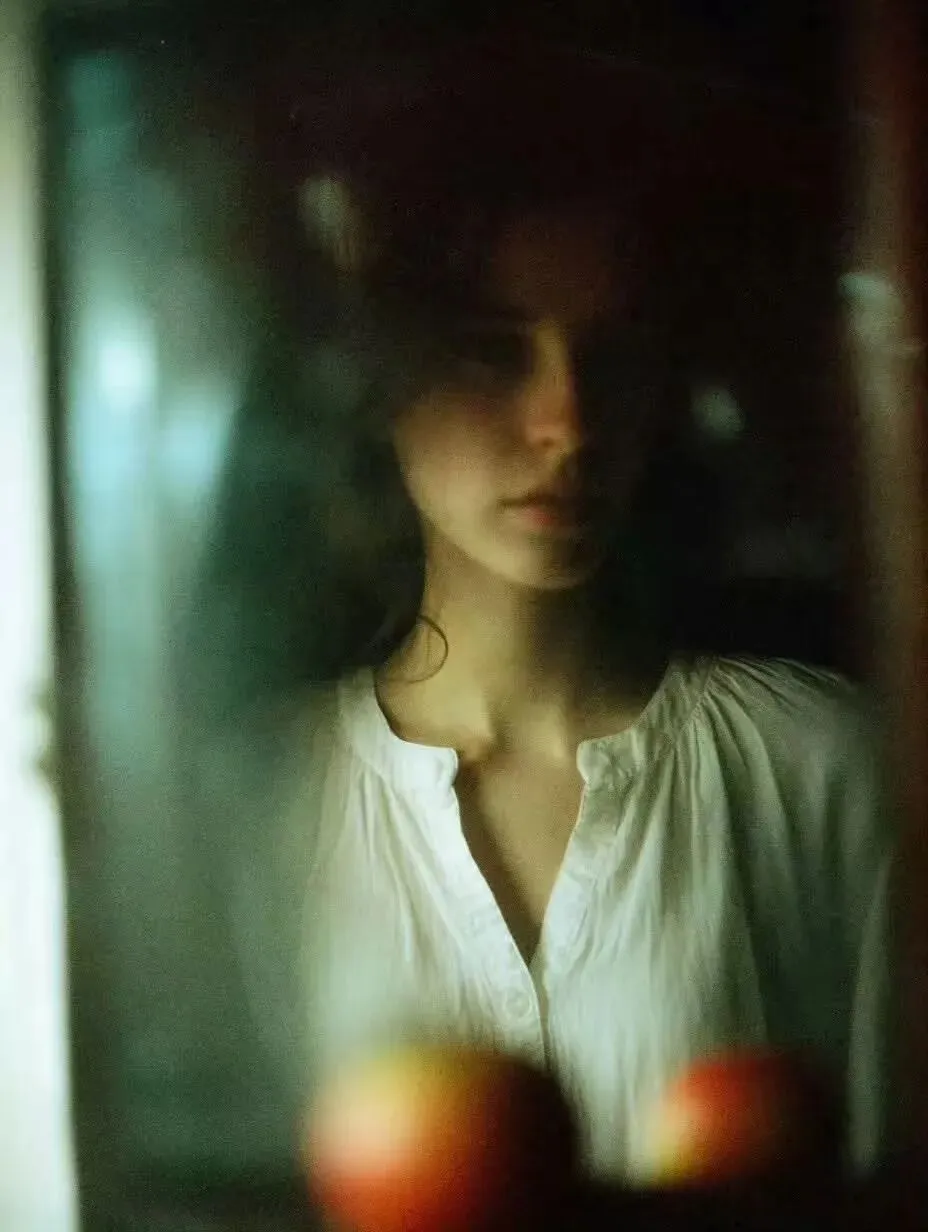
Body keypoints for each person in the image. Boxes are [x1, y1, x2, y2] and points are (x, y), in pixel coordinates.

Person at [194, 35, 899, 1191]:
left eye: (609, 356)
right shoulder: (259, 808)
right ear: (383, 378)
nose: (565, 420)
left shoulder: (823, 770)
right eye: (490, 352)